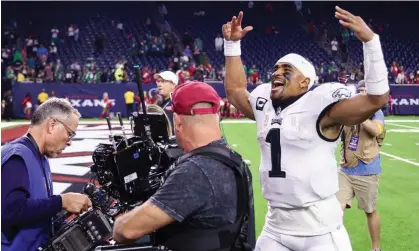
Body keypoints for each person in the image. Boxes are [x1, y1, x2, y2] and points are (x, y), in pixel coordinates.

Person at [222, 6, 389, 251]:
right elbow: (236, 92)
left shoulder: (322, 107)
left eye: (286, 71)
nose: (277, 73)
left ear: (304, 82)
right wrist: (232, 46)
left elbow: (376, 100)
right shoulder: (265, 104)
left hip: (321, 231)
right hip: (275, 227)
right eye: (276, 69)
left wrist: (371, 43)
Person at [112, 81, 255, 251]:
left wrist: (119, 219)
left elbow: (126, 231)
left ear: (178, 122)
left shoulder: (196, 170)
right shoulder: (234, 159)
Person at [1, 98, 93, 251]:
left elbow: (36, 209)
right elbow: (11, 210)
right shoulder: (17, 156)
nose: (69, 141)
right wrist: (61, 202)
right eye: (70, 134)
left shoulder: (40, 157)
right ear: (52, 125)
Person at [337, 80, 386, 251]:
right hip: (345, 168)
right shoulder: (348, 113)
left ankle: (375, 248)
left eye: (365, 92)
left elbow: (376, 130)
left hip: (367, 170)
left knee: (370, 211)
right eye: (360, 92)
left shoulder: (376, 113)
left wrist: (360, 115)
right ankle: (335, 245)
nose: (362, 95)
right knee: (336, 209)